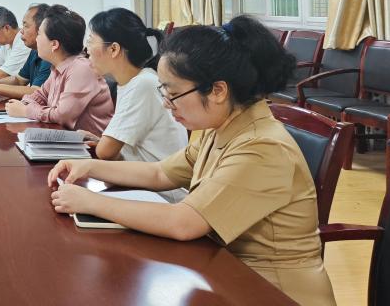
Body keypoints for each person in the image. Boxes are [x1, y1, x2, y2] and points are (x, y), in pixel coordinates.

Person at [47, 16, 336, 306]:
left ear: (218, 91)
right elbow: (161, 173)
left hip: (272, 291)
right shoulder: (221, 127)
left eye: (173, 94)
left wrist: (90, 202)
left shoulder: (262, 147)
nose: (166, 103)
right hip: (225, 272)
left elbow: (183, 223)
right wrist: (89, 166)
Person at [82, 8, 187, 162]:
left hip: (157, 177)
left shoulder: (143, 84)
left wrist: (104, 145)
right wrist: (101, 141)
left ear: (114, 49)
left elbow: (105, 152)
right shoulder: (136, 81)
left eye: (90, 41)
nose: (87, 50)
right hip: (143, 173)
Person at [6, 6, 113, 134]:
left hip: (88, 145)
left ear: (54, 44)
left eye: (39, 34)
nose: (37, 39)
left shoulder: (80, 69)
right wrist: (24, 104)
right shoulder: (58, 68)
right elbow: (39, 95)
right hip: (66, 139)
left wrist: (25, 111)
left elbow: (62, 115)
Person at [0, 3, 53, 99]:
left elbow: (36, 92)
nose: (21, 31)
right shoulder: (34, 51)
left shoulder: (50, 55)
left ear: (42, 29)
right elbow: (19, 80)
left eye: (26, 26)